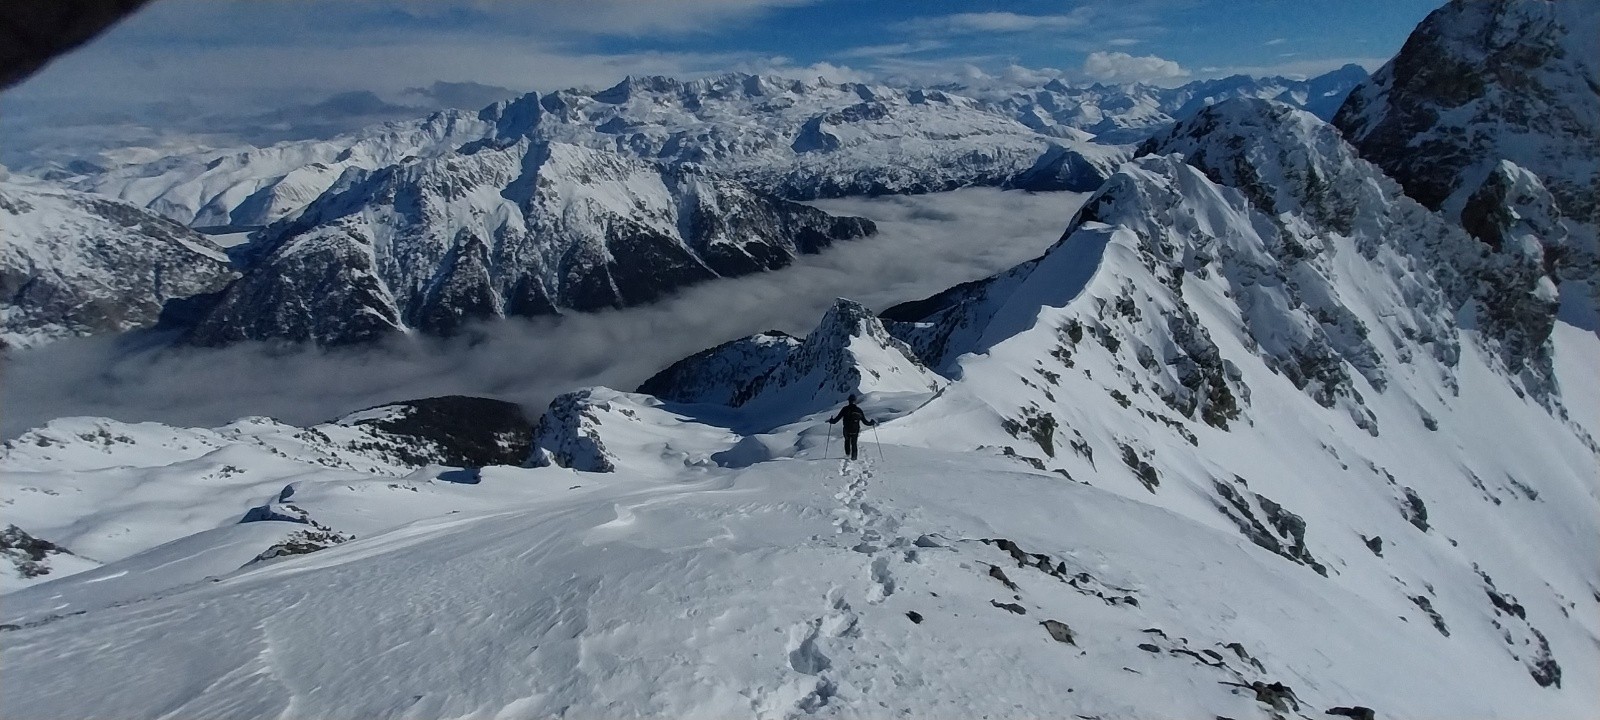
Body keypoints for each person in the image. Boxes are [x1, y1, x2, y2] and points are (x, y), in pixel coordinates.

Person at [827, 394, 876, 461]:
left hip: (846, 429)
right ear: (855, 401)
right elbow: (865, 422)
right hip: (855, 430)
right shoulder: (858, 410)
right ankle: (854, 457)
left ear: (849, 401)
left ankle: (847, 455)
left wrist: (831, 421)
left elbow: (836, 420)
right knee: (854, 443)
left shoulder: (845, 409)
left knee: (847, 441)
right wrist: (871, 423)